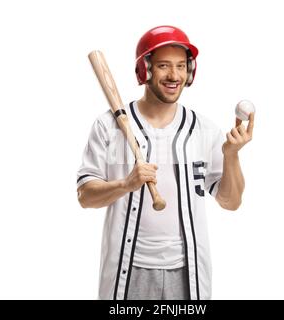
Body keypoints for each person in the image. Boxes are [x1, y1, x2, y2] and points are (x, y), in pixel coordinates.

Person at [76, 25, 254, 300]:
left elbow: (231, 202)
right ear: (145, 70)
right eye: (163, 66)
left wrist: (231, 155)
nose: (174, 75)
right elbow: (85, 196)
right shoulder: (107, 126)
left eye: (182, 66)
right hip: (129, 269)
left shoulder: (204, 129)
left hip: (188, 271)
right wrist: (126, 184)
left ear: (190, 71)